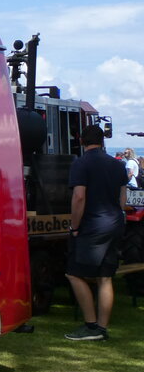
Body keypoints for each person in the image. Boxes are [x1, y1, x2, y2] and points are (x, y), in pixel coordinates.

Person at [65, 124, 129, 341]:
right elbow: (123, 199)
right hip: (115, 223)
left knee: (73, 273)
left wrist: (74, 227)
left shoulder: (80, 164)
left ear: (82, 141)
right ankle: (102, 329)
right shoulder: (118, 165)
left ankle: (91, 326)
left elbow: (79, 197)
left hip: (92, 226)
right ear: (103, 141)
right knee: (105, 277)